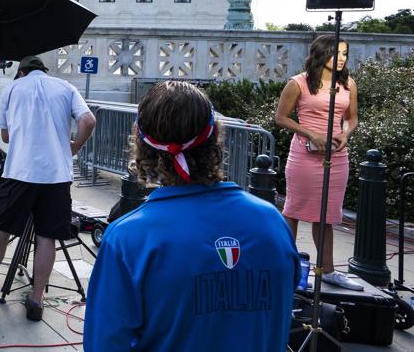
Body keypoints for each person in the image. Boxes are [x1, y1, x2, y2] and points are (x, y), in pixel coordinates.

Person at [84, 81, 298, 351]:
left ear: (139, 139)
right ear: (215, 136)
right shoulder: (272, 221)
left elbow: (105, 343)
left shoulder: (129, 238)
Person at [0, 55, 96, 321]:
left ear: (20, 72)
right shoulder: (66, 87)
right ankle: (35, 300)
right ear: (44, 70)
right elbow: (88, 121)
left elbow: (5, 136)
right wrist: (75, 146)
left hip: (20, 172)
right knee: (46, 238)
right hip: (55, 176)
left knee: (1, 231)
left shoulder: (12, 89)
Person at [274, 34, 363, 290]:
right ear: (321, 53)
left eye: (345, 54)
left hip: (337, 157)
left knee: (326, 215)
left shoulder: (348, 85)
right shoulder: (298, 83)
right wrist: (311, 133)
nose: (341, 59)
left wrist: (345, 134)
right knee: (293, 211)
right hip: (304, 155)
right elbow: (281, 118)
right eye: (336, 53)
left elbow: (352, 117)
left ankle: (328, 270)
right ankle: (285, 266)